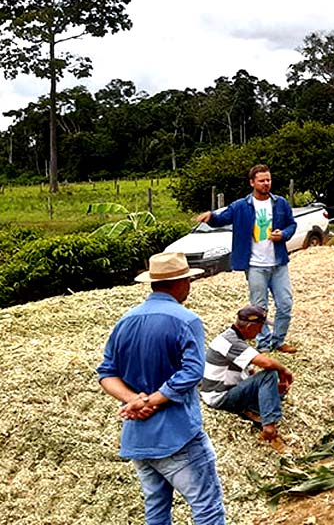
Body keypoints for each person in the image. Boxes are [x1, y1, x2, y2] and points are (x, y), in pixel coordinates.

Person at [97, 252, 226, 525]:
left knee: (156, 508)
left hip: (139, 437)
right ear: (180, 283)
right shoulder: (186, 319)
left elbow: (107, 373)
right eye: (188, 280)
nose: (190, 286)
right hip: (177, 434)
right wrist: (154, 400)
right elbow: (192, 371)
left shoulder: (126, 321)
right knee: (207, 507)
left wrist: (135, 401)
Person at [196, 164, 298, 353]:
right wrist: (210, 217)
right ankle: (263, 343)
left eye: (268, 180)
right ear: (252, 182)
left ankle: (279, 341)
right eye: (262, 180)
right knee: (259, 307)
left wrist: (283, 234)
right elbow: (222, 219)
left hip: (278, 262)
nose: (266, 184)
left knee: (285, 303)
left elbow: (292, 225)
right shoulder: (240, 206)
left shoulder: (280, 203)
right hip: (254, 265)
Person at [200, 304, 294, 449]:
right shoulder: (230, 342)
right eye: (260, 327)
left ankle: (252, 411)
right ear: (250, 327)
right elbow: (267, 364)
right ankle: (269, 429)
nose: (260, 332)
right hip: (220, 396)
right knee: (270, 373)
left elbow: (251, 373)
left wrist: (271, 389)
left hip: (233, 389)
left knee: (274, 391)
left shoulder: (235, 339)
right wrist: (284, 371)